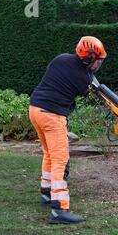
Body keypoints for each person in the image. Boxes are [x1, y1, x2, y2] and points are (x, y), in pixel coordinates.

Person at [29, 36, 107, 224]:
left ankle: (47, 194)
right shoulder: (84, 78)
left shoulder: (61, 58)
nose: (98, 64)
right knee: (60, 161)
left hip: (35, 109)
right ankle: (59, 209)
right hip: (51, 115)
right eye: (97, 60)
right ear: (88, 58)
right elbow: (86, 90)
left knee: (49, 154)